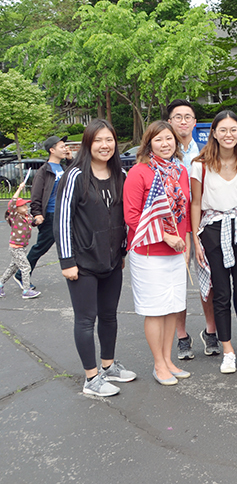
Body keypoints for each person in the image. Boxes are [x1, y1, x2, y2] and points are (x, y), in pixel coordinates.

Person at [54, 119, 136, 397]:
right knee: (86, 319)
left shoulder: (120, 176)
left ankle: (108, 365)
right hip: (82, 263)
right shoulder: (75, 176)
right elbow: (62, 220)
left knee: (109, 315)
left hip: (112, 260)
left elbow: (123, 218)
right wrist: (67, 261)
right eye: (98, 140)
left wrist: (122, 251)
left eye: (109, 140)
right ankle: (91, 378)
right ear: (88, 143)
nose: (105, 145)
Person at [190, 110, 237, 375]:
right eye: (223, 130)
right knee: (221, 294)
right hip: (212, 229)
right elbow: (196, 202)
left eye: (233, 130)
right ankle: (228, 351)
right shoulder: (201, 164)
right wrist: (196, 239)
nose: (228, 135)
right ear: (214, 133)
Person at [123, 121, 192, 385]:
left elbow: (183, 212)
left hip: (176, 251)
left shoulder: (181, 171)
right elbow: (132, 216)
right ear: (148, 143)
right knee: (155, 309)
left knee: (173, 308)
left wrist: (183, 242)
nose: (165, 144)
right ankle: (158, 364)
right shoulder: (139, 173)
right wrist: (165, 236)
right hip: (149, 251)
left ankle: (168, 360)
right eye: (159, 140)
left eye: (169, 139)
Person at [167, 99, 217, 361]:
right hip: (174, 226)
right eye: (178, 117)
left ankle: (211, 331)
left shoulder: (207, 152)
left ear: (195, 122)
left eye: (188, 116)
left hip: (203, 221)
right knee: (178, 280)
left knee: (207, 278)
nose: (183, 121)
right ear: (170, 122)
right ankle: (182, 336)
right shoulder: (163, 155)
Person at [15, 135, 72, 291]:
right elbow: (36, 195)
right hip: (51, 214)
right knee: (41, 247)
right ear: (52, 150)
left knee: (74, 241)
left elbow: (76, 176)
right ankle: (21, 274)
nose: (65, 148)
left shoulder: (64, 167)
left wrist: (70, 159)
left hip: (64, 214)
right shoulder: (44, 171)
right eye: (61, 146)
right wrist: (37, 213)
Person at [2, 182, 40, 299]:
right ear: (16, 209)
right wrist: (19, 188)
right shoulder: (15, 216)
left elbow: (32, 223)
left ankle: (0, 284)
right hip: (15, 247)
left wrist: (37, 221)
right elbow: (13, 202)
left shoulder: (26, 216)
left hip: (23, 247)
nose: (26, 207)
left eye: (25, 205)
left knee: (13, 267)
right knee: (25, 267)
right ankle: (26, 291)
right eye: (23, 206)